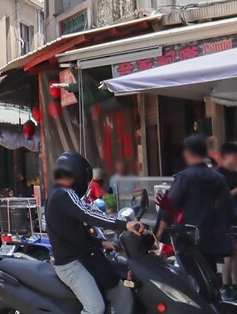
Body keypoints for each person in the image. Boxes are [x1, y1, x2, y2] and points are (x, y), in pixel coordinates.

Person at [46, 151, 139, 314]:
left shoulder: (60, 195)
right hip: (71, 264)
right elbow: (88, 214)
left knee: (121, 292)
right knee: (95, 308)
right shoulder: (64, 194)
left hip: (86, 257)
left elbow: (74, 233)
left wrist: (102, 243)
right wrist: (124, 224)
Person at [161, 135, 233, 272]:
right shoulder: (218, 178)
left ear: (187, 153)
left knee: (190, 276)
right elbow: (227, 206)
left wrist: (158, 233)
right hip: (211, 239)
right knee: (209, 275)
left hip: (188, 239)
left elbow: (169, 206)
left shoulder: (184, 178)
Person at [217, 143, 237, 298]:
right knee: (228, 252)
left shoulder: (234, 174)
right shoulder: (218, 175)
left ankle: (235, 284)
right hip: (224, 219)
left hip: (235, 217)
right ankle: (225, 285)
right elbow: (220, 200)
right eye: (234, 155)